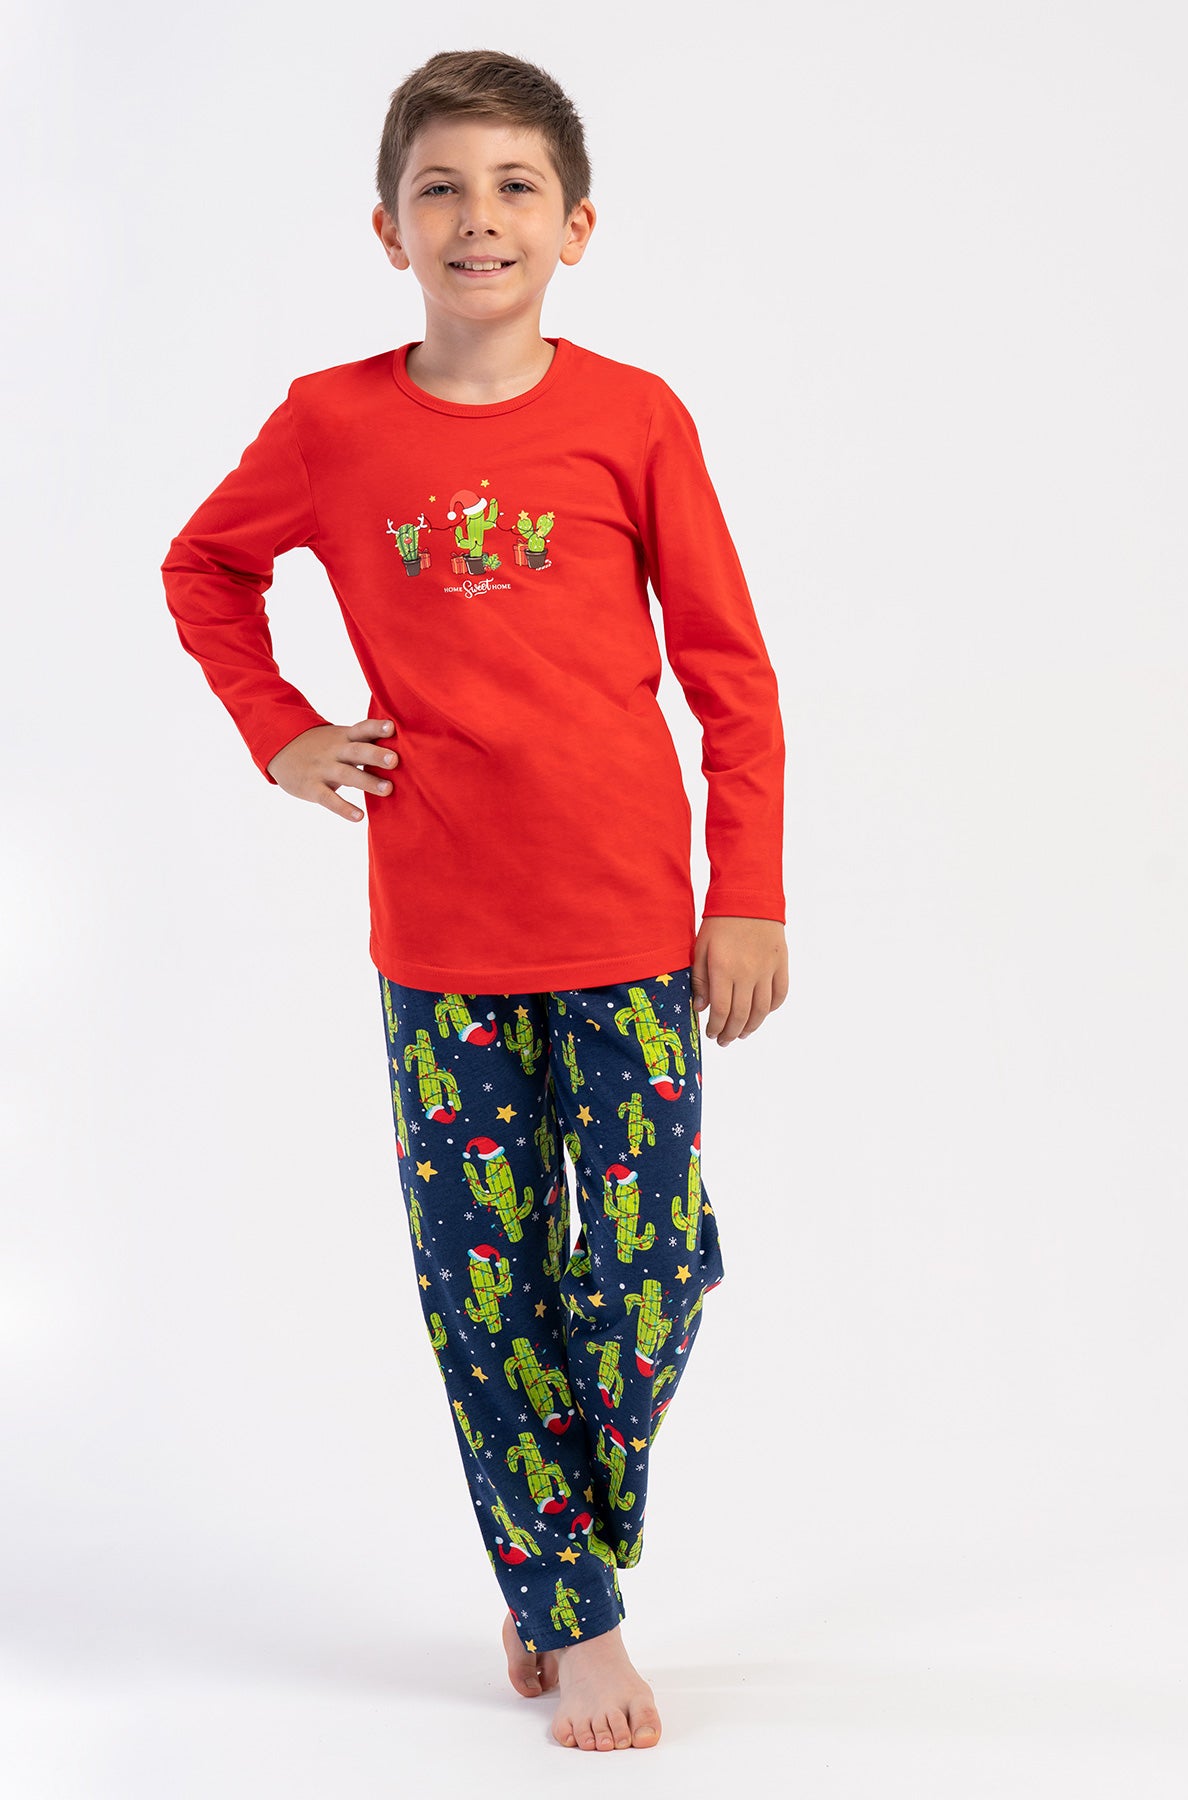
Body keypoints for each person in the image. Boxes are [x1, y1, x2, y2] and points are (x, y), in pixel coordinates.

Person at [161, 47, 789, 1753]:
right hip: (441, 945)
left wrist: (747, 890)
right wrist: (282, 731)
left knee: (653, 1270)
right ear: (389, 229)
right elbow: (204, 566)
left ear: (576, 226)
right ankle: (575, 1614)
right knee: (484, 1287)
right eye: (440, 188)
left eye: (516, 186)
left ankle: (547, 1551)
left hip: (632, 929)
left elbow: (731, 672)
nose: (478, 217)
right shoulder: (330, 424)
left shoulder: (635, 417)